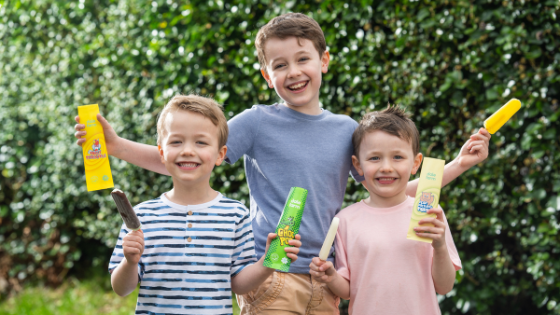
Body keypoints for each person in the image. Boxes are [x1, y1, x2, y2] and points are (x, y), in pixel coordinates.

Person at [76, 13, 490, 314]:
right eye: (279, 65)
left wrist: (456, 165)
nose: (293, 72)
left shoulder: (346, 130)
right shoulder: (257, 122)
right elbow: (188, 160)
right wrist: (116, 147)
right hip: (270, 274)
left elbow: (390, 192)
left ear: (323, 61)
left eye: (302, 59)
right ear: (265, 75)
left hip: (327, 275)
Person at [108, 94, 301, 315]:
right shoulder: (142, 215)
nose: (188, 150)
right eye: (176, 141)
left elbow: (238, 283)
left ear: (220, 155)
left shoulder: (235, 214)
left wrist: (268, 263)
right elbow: (122, 288)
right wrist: (131, 262)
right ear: (161, 152)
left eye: (200, 142)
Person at [309, 106, 461, 315]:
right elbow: (348, 291)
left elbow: (444, 287)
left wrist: (440, 246)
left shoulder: (428, 213)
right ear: (358, 165)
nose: (386, 167)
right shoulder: (345, 221)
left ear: (416, 163)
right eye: (374, 158)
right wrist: (331, 276)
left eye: (398, 157)